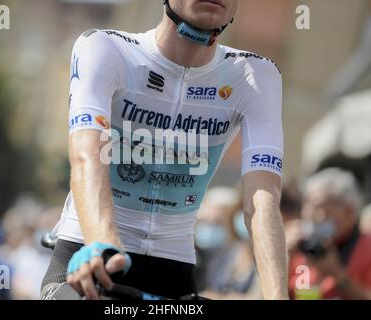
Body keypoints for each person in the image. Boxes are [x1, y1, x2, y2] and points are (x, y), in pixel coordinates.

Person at [42, 0, 287, 300]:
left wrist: (277, 295)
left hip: (173, 271)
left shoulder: (255, 76)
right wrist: (102, 245)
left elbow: (261, 201)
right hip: (90, 251)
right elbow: (87, 157)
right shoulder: (105, 49)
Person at [288, 168, 371, 299]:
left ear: (348, 211)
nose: (309, 215)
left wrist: (338, 277)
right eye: (306, 205)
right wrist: (283, 257)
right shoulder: (299, 245)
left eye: (317, 207)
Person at [195, 187, 261, 299]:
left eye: (218, 222)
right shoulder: (221, 254)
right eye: (208, 221)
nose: (211, 227)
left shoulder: (260, 256)